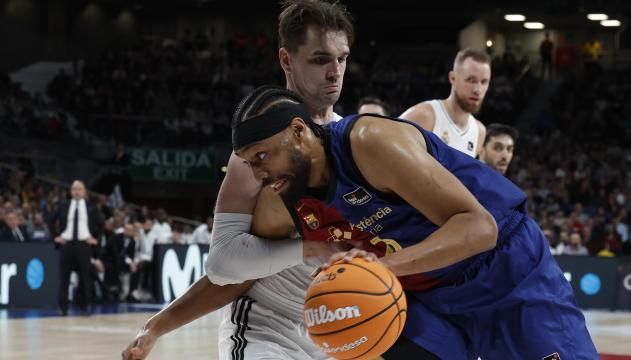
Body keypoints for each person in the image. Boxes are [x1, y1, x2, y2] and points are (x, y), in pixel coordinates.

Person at [231, 86, 598, 359]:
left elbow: (480, 228)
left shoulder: (369, 142)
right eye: (249, 162)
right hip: (422, 298)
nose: (258, 172)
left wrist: (381, 267)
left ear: (298, 131)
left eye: (262, 155)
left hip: (501, 267)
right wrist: (170, 321)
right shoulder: (282, 201)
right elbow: (228, 271)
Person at [123, 1, 354, 359]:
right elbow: (225, 265)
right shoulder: (258, 152)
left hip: (335, 328)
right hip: (265, 327)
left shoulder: (351, 141)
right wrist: (158, 324)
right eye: (321, 59)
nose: (335, 71)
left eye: (342, 59)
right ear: (287, 60)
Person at [400, 48, 488, 158]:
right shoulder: (424, 115)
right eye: (471, 80)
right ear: (452, 78)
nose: (477, 90)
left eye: (484, 82)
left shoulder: (479, 132)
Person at [49, 180, 104, 315]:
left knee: (85, 277)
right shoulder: (64, 205)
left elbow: (101, 224)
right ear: (71, 191)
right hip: (66, 244)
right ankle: (63, 308)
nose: (77, 191)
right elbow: (50, 220)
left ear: (84, 191)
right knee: (64, 278)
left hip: (83, 245)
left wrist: (95, 239)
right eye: (74, 189)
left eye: (79, 189)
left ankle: (85, 306)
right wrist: (56, 236)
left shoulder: (91, 207)